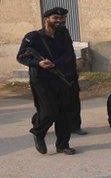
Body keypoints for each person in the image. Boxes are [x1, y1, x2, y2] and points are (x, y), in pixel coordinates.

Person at [17, 8, 78, 155]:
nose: (60, 21)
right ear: (46, 19)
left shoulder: (64, 34)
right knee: (49, 111)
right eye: (56, 18)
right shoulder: (33, 37)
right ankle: (38, 132)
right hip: (41, 80)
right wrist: (38, 63)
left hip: (61, 77)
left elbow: (69, 54)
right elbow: (21, 57)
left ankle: (63, 145)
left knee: (64, 113)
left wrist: (55, 63)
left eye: (62, 18)